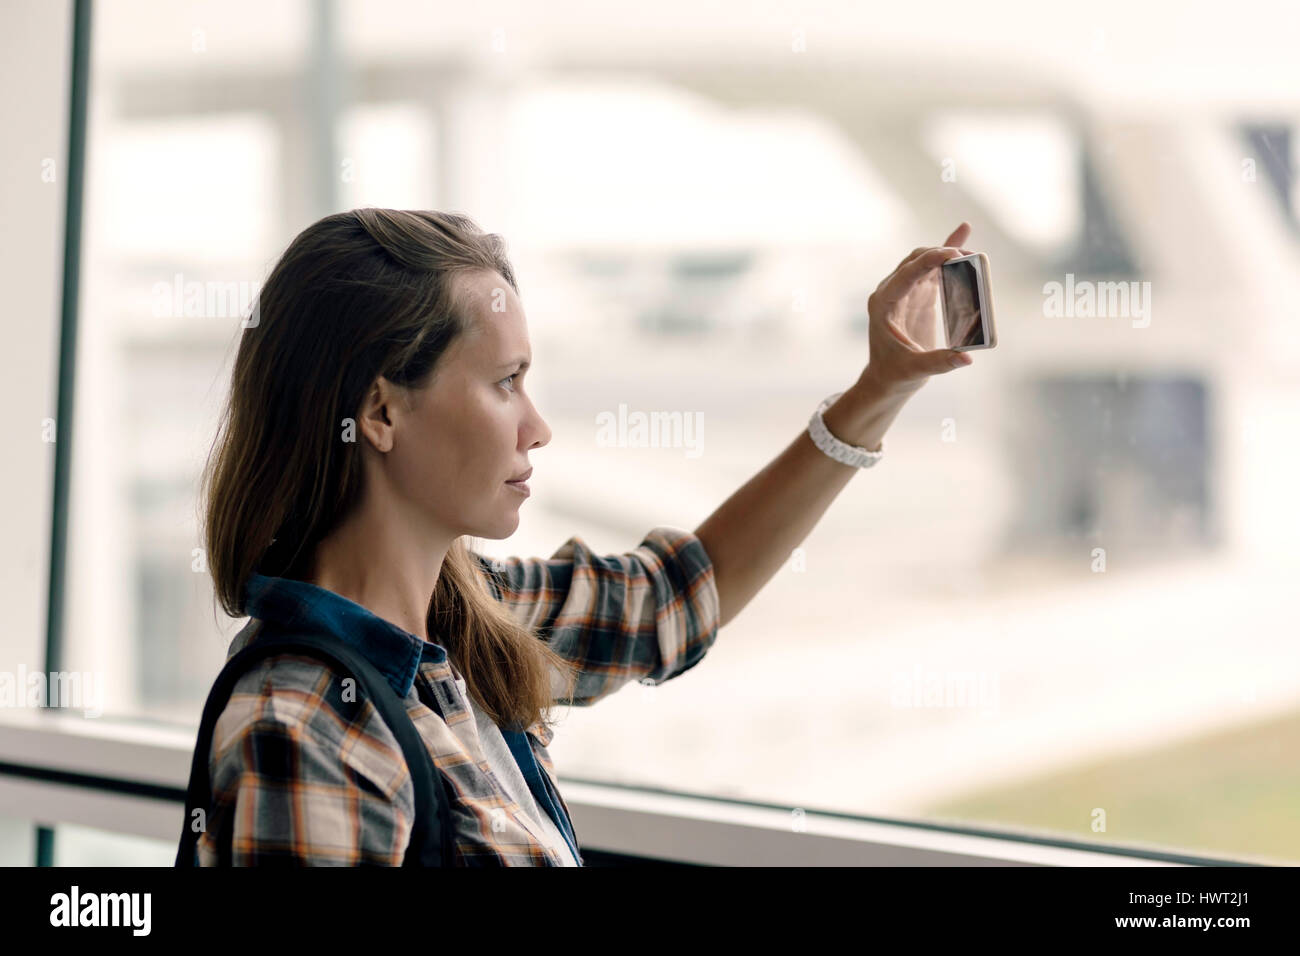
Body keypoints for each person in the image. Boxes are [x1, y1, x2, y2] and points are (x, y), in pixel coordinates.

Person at [194, 208, 976, 866]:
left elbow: (674, 596)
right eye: (506, 382)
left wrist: (880, 389)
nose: (537, 427)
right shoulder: (303, 733)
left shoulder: (467, 618)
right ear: (381, 412)